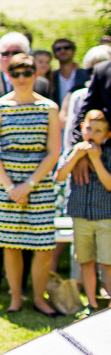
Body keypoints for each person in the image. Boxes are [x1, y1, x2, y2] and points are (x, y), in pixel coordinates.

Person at [0, 52, 61, 316]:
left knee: (43, 246)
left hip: (38, 182)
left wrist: (28, 184)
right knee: (11, 243)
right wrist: (10, 187)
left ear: (36, 74)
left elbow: (53, 151)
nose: (22, 78)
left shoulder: (49, 107)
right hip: (6, 182)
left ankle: (39, 298)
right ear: (9, 76)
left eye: (27, 73)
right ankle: (15, 298)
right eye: (16, 74)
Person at [0, 32, 49, 295]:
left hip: (34, 177)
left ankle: (25, 288)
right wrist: (6, 181)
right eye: (5, 54)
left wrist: (28, 183)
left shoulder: (44, 90)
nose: (10, 59)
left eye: (15, 52)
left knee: (30, 237)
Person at [56, 110, 111, 314]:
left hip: (106, 216)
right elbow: (59, 176)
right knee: (86, 261)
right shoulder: (73, 151)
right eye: (89, 128)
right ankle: (92, 304)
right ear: (81, 128)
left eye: (98, 131)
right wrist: (76, 156)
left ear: (107, 135)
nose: (92, 134)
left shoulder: (107, 153)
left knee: (108, 262)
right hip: (80, 216)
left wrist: (95, 160)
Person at [49, 37, 88, 109]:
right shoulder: (51, 76)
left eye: (66, 48)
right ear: (54, 54)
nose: (62, 51)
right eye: (58, 49)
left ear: (73, 51)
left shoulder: (86, 75)